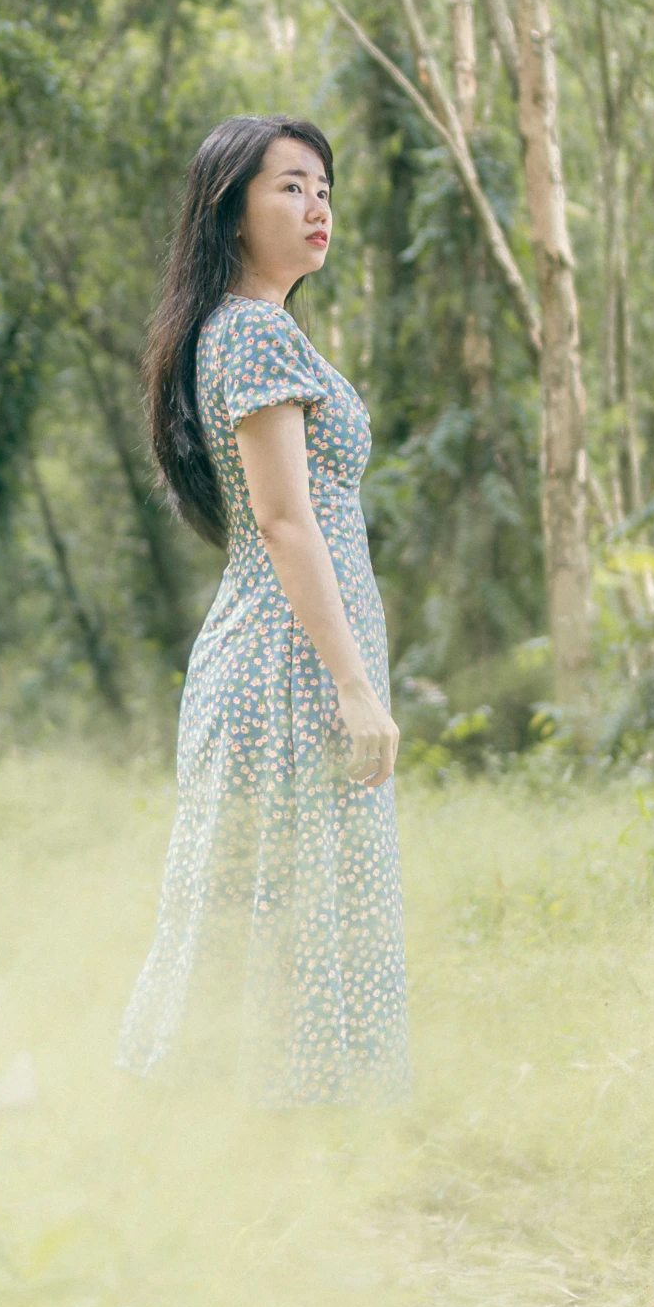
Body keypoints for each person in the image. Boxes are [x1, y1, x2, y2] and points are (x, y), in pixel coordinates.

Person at [117, 115, 409, 1108]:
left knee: (280, 898)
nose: (317, 203)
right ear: (229, 211)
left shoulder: (255, 329)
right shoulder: (247, 329)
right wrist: (357, 687)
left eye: (323, 186)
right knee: (268, 902)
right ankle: (247, 1133)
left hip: (292, 656)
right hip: (285, 665)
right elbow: (286, 521)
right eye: (290, 185)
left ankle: (283, 1138)